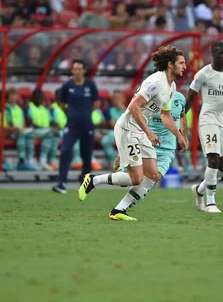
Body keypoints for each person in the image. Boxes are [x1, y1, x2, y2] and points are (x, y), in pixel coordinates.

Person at [78, 45, 188, 221]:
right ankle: (93, 180)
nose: (185, 67)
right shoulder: (155, 82)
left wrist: (180, 136)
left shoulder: (171, 86)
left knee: (153, 174)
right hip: (128, 128)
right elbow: (133, 107)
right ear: (169, 64)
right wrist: (149, 132)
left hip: (139, 131)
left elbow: (166, 115)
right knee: (136, 179)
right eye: (181, 63)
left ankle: (118, 210)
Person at [109, 90, 187, 220]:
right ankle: (95, 180)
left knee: (153, 177)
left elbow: (182, 116)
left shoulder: (180, 98)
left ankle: (119, 209)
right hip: (145, 142)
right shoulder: (148, 96)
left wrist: (183, 136)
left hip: (167, 148)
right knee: (128, 180)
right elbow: (134, 119)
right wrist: (121, 150)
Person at [185, 42, 223, 213]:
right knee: (213, 158)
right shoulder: (203, 74)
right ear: (213, 54)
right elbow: (192, 95)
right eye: (221, 53)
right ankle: (211, 202)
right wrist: (182, 116)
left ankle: (199, 191)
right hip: (208, 119)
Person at [54, 60, 100, 194]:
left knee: (86, 155)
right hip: (72, 125)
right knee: (65, 150)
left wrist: (85, 113)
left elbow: (96, 103)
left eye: (79, 69)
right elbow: (61, 102)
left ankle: (84, 183)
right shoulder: (67, 85)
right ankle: (61, 182)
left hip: (87, 125)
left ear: (84, 70)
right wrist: (71, 113)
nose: (76, 72)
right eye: (74, 69)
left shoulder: (90, 84)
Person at [24, 88, 58, 171]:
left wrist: (55, 125)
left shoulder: (45, 109)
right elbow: (29, 121)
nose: (41, 99)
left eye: (42, 97)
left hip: (45, 131)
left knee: (55, 134)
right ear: (34, 98)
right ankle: (31, 160)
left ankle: (48, 160)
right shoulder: (29, 108)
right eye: (39, 97)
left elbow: (50, 121)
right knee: (49, 133)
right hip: (33, 130)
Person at [100, 89, 126, 169]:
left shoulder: (129, 109)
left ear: (123, 99)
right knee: (105, 140)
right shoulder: (108, 110)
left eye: (119, 98)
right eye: (115, 98)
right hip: (113, 132)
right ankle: (114, 161)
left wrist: (123, 109)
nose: (116, 100)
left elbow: (133, 122)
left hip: (127, 133)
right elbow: (113, 125)